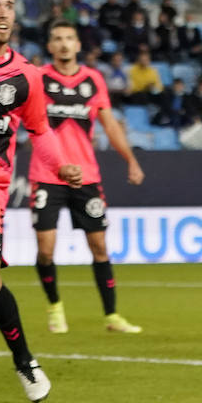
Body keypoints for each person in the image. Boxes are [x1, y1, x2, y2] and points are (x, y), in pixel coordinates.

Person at [0, 0, 84, 402]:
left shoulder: (25, 77)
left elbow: (41, 132)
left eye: (9, 6)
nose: (3, 13)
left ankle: (24, 360)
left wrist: (62, 165)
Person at [30, 21, 145, 335]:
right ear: (50, 46)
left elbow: (109, 125)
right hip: (47, 174)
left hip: (87, 177)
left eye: (69, 38)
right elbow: (22, 123)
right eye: (57, 39)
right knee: (45, 249)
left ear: (79, 45)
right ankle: (54, 307)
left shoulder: (94, 80)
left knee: (99, 247)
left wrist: (130, 160)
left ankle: (112, 315)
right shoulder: (39, 79)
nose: (64, 44)